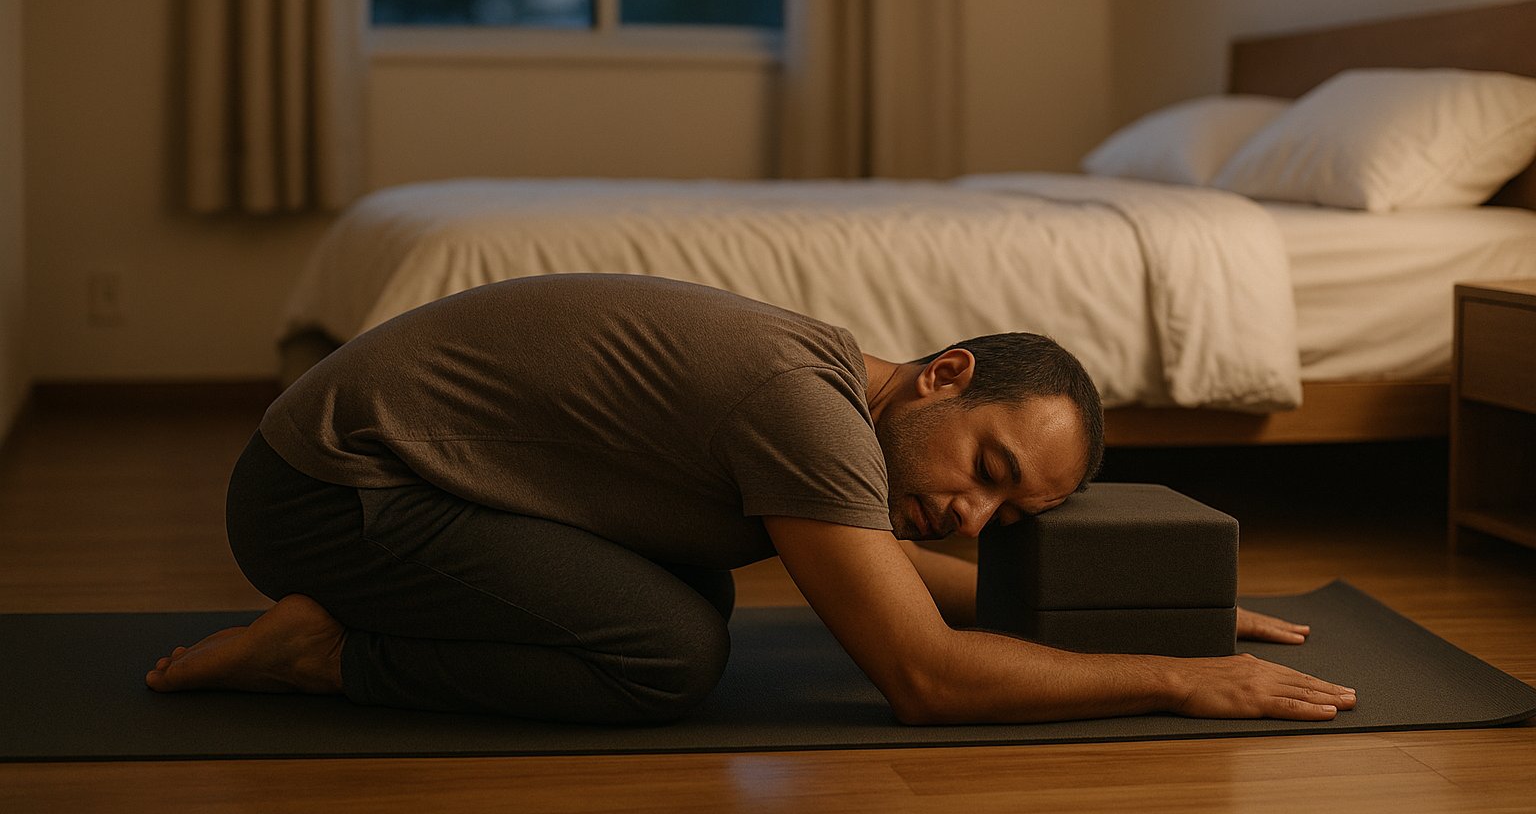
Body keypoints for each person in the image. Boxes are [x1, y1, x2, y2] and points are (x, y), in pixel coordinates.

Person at [146, 273, 1355, 725]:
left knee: (697, 589)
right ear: (945, 376)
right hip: (325, 493)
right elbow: (923, 675)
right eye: (987, 469)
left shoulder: (844, 401)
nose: (974, 515)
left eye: (1012, 514)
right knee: (666, 653)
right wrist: (1178, 676)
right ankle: (326, 656)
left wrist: (1132, 613)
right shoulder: (805, 411)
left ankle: (343, 634)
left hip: (409, 473)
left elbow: (911, 577)